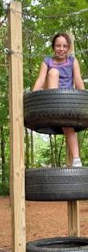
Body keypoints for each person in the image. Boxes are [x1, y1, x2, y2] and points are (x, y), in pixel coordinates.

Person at [32, 32, 85, 167]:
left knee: (68, 127)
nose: (61, 49)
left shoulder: (72, 61)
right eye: (58, 46)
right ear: (53, 47)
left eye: (64, 46)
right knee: (54, 72)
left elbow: (78, 81)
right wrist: (32, 98)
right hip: (51, 96)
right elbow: (40, 80)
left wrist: (84, 100)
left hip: (65, 100)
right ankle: (53, 105)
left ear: (68, 48)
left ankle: (76, 159)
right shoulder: (47, 61)